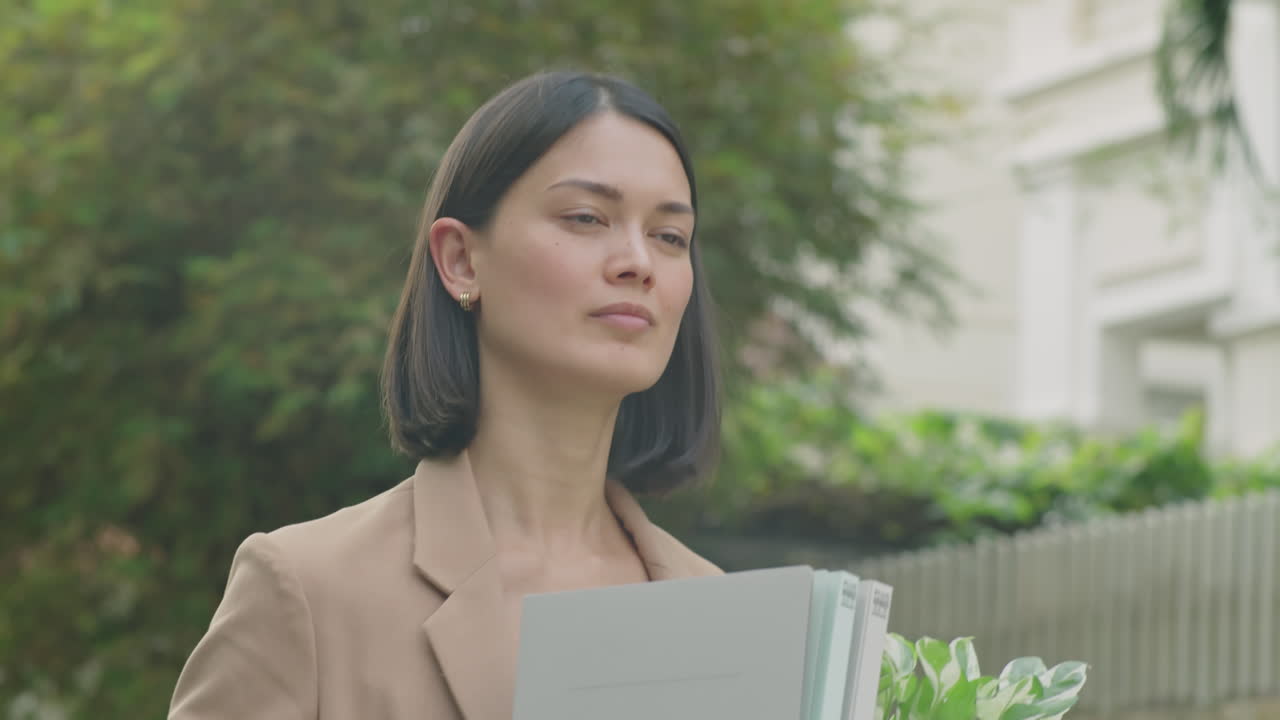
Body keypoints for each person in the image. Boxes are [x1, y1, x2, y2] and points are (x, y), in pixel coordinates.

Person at [168, 70, 725, 720]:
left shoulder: (718, 611)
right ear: (460, 259)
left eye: (669, 236)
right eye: (586, 217)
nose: (638, 262)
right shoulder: (308, 589)